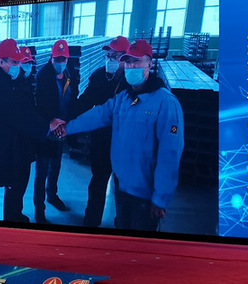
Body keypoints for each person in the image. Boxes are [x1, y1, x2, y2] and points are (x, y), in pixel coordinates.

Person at [60, 39, 184, 232]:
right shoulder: (123, 99)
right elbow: (98, 114)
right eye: (128, 62)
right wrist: (66, 128)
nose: (131, 66)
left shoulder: (165, 103)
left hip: (145, 194)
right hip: (123, 188)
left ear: (150, 64)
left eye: (137, 61)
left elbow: (170, 154)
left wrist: (161, 198)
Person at [0, 38, 64, 221]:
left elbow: (22, 110)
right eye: (14, 62)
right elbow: (16, 114)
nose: (18, 66)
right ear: (1, 62)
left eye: (19, 62)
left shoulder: (5, 80)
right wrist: (47, 126)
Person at [71, 35, 130, 227]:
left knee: (124, 186)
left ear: (125, 58)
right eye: (108, 55)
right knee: (98, 181)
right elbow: (84, 102)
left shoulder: (132, 82)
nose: (110, 59)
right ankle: (91, 221)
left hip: (124, 143)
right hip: (102, 140)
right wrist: (66, 119)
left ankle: (123, 221)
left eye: (115, 56)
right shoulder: (99, 77)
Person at [33, 39, 78, 223]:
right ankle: (39, 209)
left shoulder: (69, 74)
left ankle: (52, 195)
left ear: (67, 59)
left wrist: (68, 124)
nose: (60, 62)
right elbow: (39, 105)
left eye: (63, 59)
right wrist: (50, 122)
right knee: (41, 171)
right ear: (51, 58)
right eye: (57, 59)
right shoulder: (43, 76)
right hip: (47, 132)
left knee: (56, 166)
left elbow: (72, 99)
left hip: (62, 130)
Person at [3, 45, 37, 222]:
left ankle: (17, 212)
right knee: (14, 183)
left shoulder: (26, 83)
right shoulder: (12, 87)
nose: (27, 66)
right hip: (15, 145)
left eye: (29, 63)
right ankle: (10, 217)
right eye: (24, 63)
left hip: (25, 144)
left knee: (23, 180)